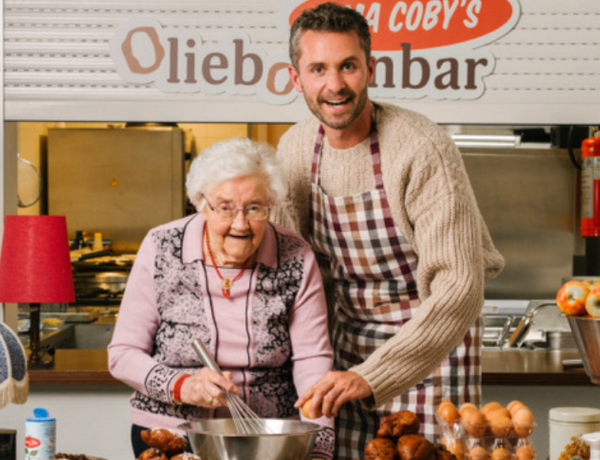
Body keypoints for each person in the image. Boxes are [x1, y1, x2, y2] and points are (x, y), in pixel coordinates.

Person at [273, 3, 505, 458]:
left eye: (348, 66)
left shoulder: (420, 147)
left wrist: (374, 375)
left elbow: (459, 287)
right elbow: (291, 273)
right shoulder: (295, 147)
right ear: (295, 78)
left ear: (370, 69)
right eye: (318, 68)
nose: (334, 84)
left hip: (434, 348)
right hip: (345, 352)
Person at [108, 138, 335, 459]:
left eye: (255, 208)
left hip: (268, 437)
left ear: (271, 205)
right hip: (170, 433)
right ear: (201, 203)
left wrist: (319, 449)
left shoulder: (296, 255)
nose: (240, 223)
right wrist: (184, 386)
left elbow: (312, 361)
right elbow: (123, 354)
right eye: (225, 207)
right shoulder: (161, 247)